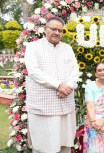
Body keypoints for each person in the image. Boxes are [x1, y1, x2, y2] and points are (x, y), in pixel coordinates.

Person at [25, 16, 79, 153]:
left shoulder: (67, 48)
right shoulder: (33, 47)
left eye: (60, 30)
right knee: (44, 146)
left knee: (65, 144)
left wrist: (69, 86)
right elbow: (34, 72)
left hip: (65, 102)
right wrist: (58, 85)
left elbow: (75, 69)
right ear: (45, 29)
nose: (57, 33)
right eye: (53, 29)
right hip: (43, 105)